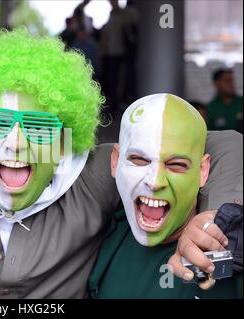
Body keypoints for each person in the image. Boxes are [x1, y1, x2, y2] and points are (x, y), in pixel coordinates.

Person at [0, 30, 241, 298]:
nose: (16, 144)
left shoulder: (92, 177)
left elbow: (219, 143)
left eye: (40, 128)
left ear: (65, 143)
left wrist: (213, 219)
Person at [89, 94, 242, 298]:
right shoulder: (101, 234)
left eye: (176, 165)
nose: (154, 182)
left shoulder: (231, 245)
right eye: (139, 160)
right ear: (115, 162)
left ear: (202, 171)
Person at [206, 69, 243, 133]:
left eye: (232, 80)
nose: (231, 84)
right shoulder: (210, 108)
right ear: (217, 83)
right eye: (227, 81)